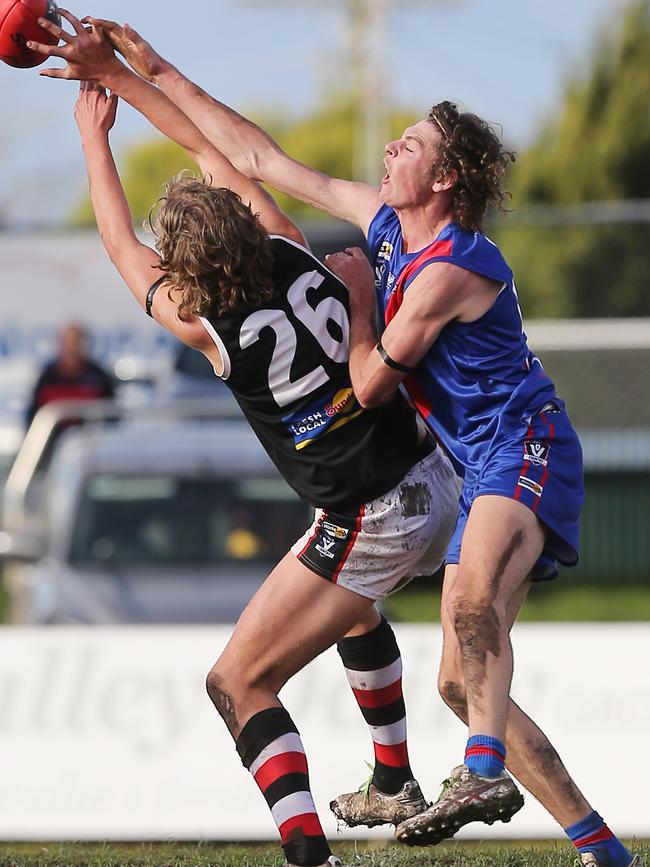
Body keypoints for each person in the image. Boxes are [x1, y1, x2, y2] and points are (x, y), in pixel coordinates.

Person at [26, 15, 644, 867]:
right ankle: (560, 831)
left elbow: (124, 245)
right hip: (436, 471)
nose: (392, 146)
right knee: (436, 660)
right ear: (251, 225)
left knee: (237, 680)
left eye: (412, 143)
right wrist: (138, 77)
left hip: (432, 486)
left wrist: (96, 133)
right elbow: (238, 158)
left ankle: (331, 846)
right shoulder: (292, 246)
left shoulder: (211, 322)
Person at [25, 321, 114, 427]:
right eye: (68, 342)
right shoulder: (47, 378)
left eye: (76, 342)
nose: (72, 347)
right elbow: (34, 416)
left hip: (90, 439)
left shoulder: (99, 377)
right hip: (55, 439)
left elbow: (112, 415)